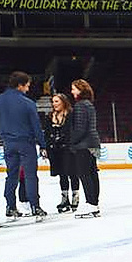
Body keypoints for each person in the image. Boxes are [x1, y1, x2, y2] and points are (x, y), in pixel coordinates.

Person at [0, 71, 48, 220]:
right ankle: (35, 206)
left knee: (11, 176)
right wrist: (42, 144)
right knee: (30, 176)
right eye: (27, 86)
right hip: (26, 142)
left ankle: (10, 207)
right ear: (20, 85)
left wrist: (3, 135)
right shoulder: (28, 103)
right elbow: (36, 127)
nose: (28, 89)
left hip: (8, 143)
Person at [69, 79, 101, 218]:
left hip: (84, 144)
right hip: (93, 143)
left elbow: (80, 128)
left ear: (81, 90)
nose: (72, 91)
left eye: (74, 89)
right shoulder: (89, 104)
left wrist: (72, 142)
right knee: (92, 173)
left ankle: (91, 204)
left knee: (85, 174)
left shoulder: (80, 105)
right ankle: (94, 203)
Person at [44, 93, 80, 213]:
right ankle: (65, 199)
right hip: (55, 150)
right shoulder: (50, 116)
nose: (54, 104)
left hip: (69, 148)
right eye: (53, 102)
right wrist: (46, 146)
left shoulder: (71, 115)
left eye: (57, 101)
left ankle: (75, 197)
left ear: (63, 102)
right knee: (62, 174)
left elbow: (74, 131)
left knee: (72, 173)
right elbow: (46, 133)